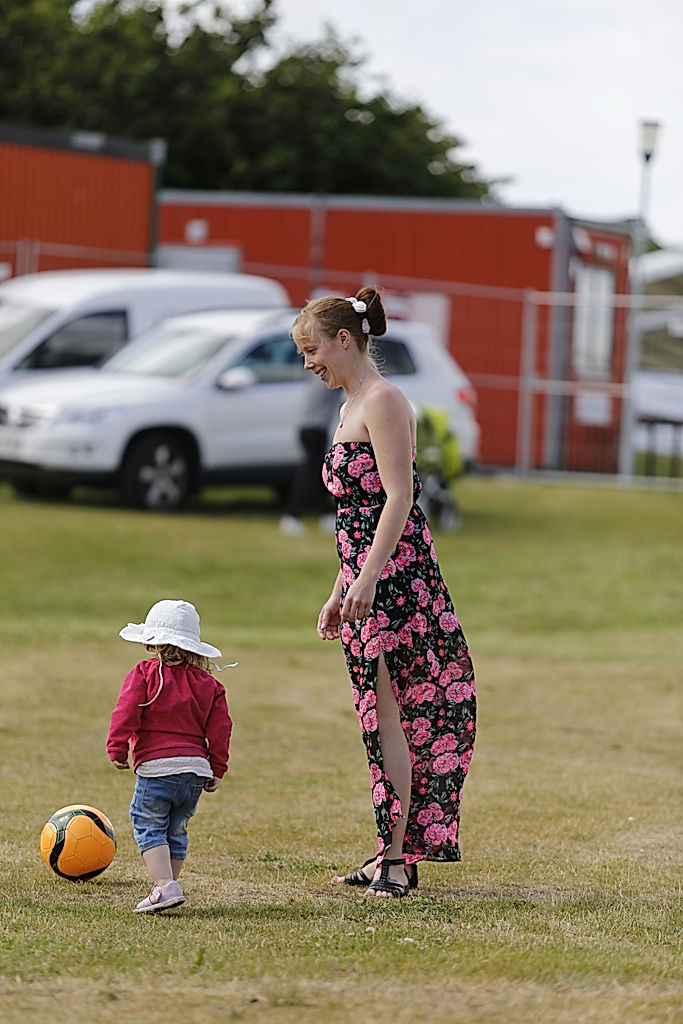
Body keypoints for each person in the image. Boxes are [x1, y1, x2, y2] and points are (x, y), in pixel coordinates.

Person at [291, 287, 476, 898]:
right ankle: (388, 852)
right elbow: (356, 517)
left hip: (397, 581)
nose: (308, 362)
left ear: (346, 339)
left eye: (313, 349)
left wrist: (367, 580)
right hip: (367, 578)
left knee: (393, 717)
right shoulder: (348, 409)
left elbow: (399, 497)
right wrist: (338, 588)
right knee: (379, 719)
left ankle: (396, 862)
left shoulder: (385, 401)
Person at [106, 599, 233, 913]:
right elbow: (220, 728)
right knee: (175, 828)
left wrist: (117, 746)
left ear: (154, 644)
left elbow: (126, 712)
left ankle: (164, 885)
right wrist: (216, 767)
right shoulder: (210, 685)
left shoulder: (144, 674)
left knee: (147, 823)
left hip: (157, 768)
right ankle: (168, 887)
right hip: (194, 771)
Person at [280, 371, 341, 536]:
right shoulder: (332, 375)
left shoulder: (316, 374)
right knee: (310, 473)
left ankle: (327, 514)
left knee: (319, 472)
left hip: (307, 427)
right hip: (316, 428)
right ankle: (292, 515)